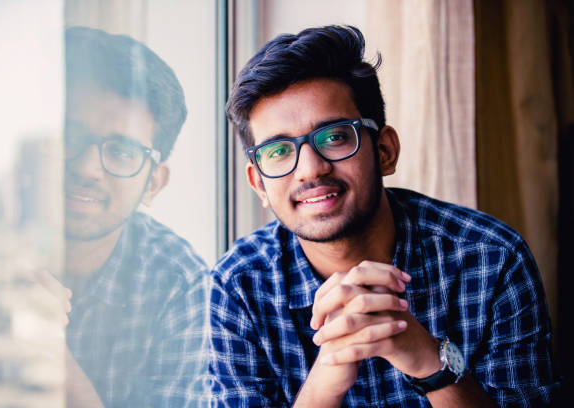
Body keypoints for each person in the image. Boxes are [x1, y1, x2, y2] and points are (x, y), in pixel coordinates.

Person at [208, 25, 560, 407]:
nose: (309, 169)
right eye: (278, 151)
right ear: (258, 184)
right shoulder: (238, 286)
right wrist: (325, 383)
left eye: (335, 136)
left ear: (385, 151)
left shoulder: (491, 258)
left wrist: (429, 362)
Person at [61, 26, 209, 407]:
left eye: (122, 152)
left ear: (153, 184)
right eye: (68, 136)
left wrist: (50, 352)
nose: (88, 168)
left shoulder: (180, 283)